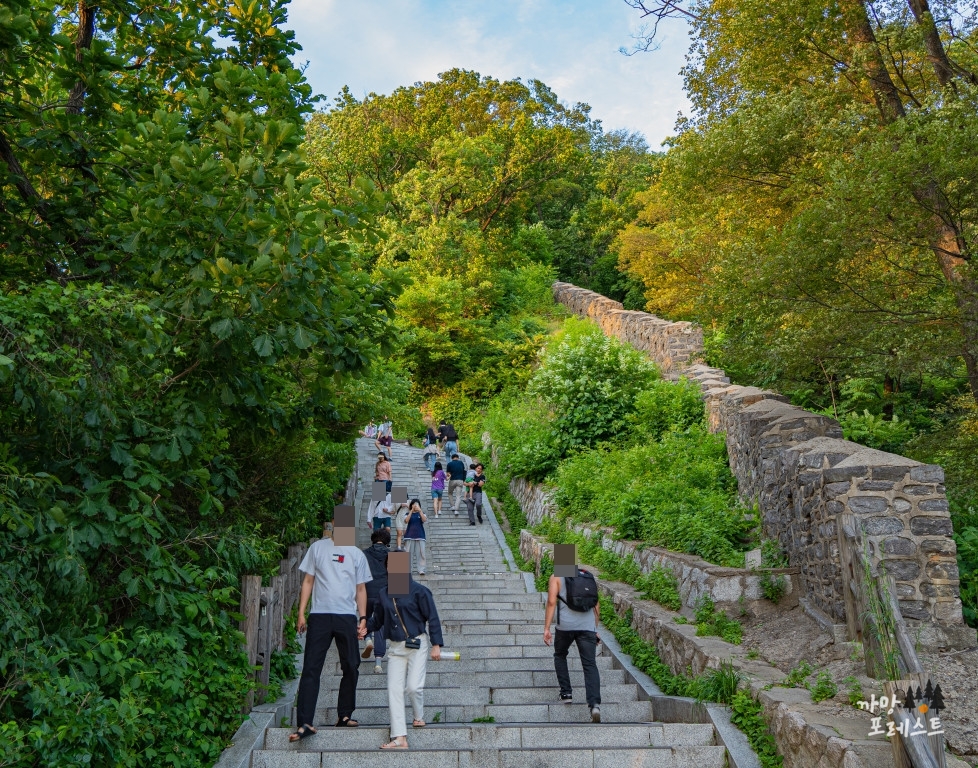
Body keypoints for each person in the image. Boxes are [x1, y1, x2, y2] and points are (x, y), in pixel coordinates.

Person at [289, 520, 371, 741]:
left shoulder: (356, 554)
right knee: (311, 668)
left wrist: (363, 617)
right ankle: (304, 722)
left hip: (346, 615)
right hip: (320, 615)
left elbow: (361, 588)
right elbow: (308, 581)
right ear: (334, 523)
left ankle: (344, 716)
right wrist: (301, 612)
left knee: (352, 665)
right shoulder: (318, 547)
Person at [362, 552, 443, 750]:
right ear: (388, 568)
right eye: (392, 565)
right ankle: (400, 737)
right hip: (396, 648)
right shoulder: (384, 593)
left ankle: (418, 716)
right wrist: (366, 628)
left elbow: (432, 618)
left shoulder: (420, 591)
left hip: (417, 644)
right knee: (394, 690)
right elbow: (378, 620)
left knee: (413, 687)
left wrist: (436, 645)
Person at [543, 566, 602, 723]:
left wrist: (547, 628)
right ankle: (594, 705)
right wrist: (595, 628)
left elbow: (551, 602)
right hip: (587, 626)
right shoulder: (587, 576)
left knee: (560, 655)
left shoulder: (556, 576)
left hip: (565, 627)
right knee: (590, 664)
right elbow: (596, 604)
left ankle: (566, 693)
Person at [362, 529, 391, 674]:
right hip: (384, 594)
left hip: (366, 592)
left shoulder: (364, 554)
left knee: (365, 618)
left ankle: (367, 639)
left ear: (373, 540)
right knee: (380, 626)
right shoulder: (394, 555)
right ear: (387, 542)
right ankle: (378, 662)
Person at [402, 499, 427, 576]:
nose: (415, 506)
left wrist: (420, 511)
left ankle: (421, 569)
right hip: (409, 536)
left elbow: (424, 520)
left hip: (420, 536)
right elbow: (406, 521)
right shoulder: (407, 513)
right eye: (414, 504)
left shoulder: (422, 513)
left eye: (417, 504)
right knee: (408, 554)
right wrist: (411, 511)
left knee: (421, 553)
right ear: (411, 505)